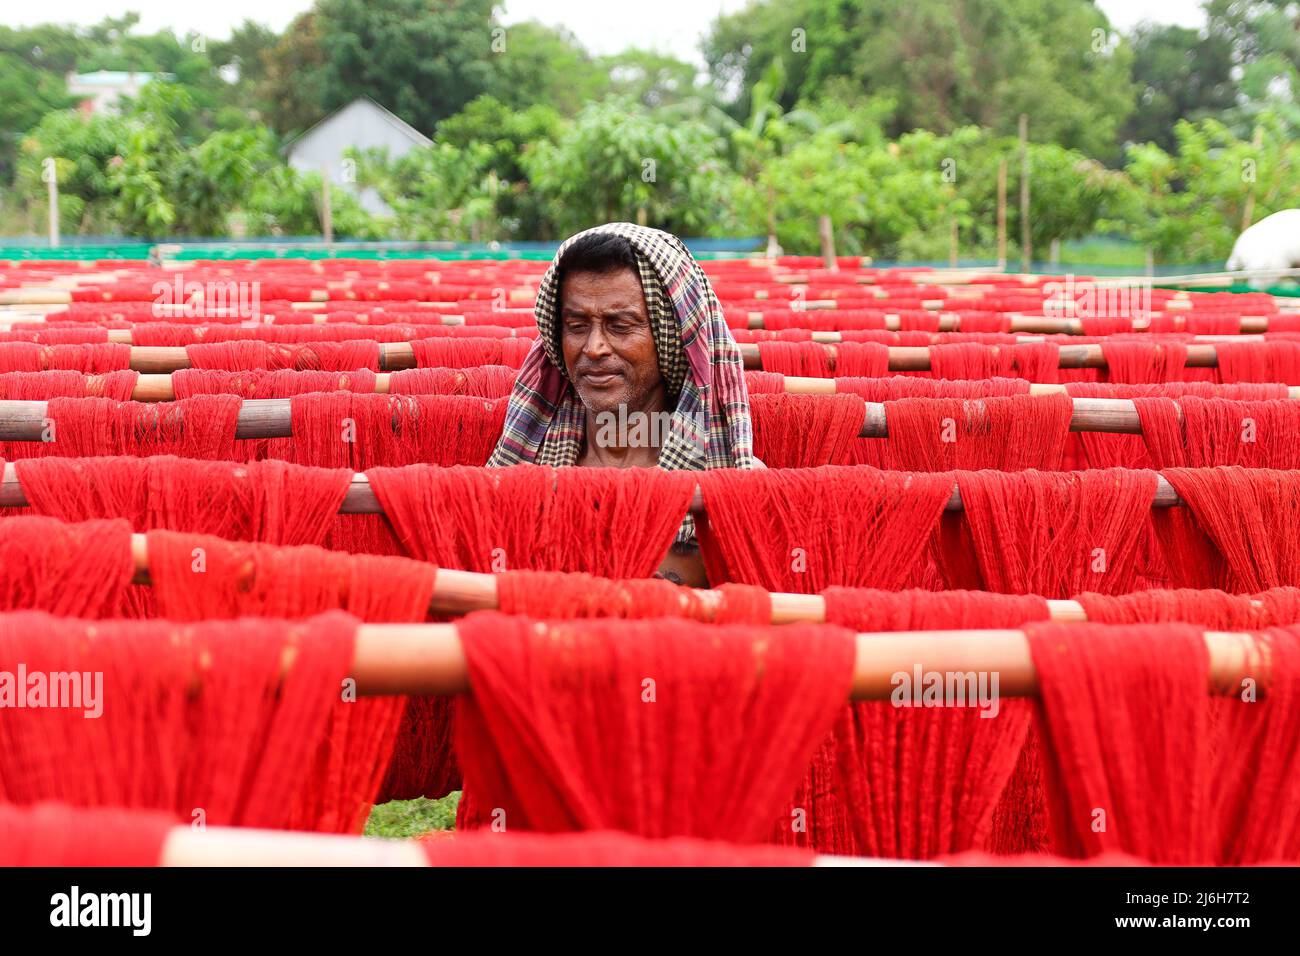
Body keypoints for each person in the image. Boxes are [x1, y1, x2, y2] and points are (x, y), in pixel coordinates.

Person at [488, 222, 759, 586]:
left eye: (620, 325)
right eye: (577, 325)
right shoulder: (516, 472)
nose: (594, 348)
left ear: (670, 337)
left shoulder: (733, 490)